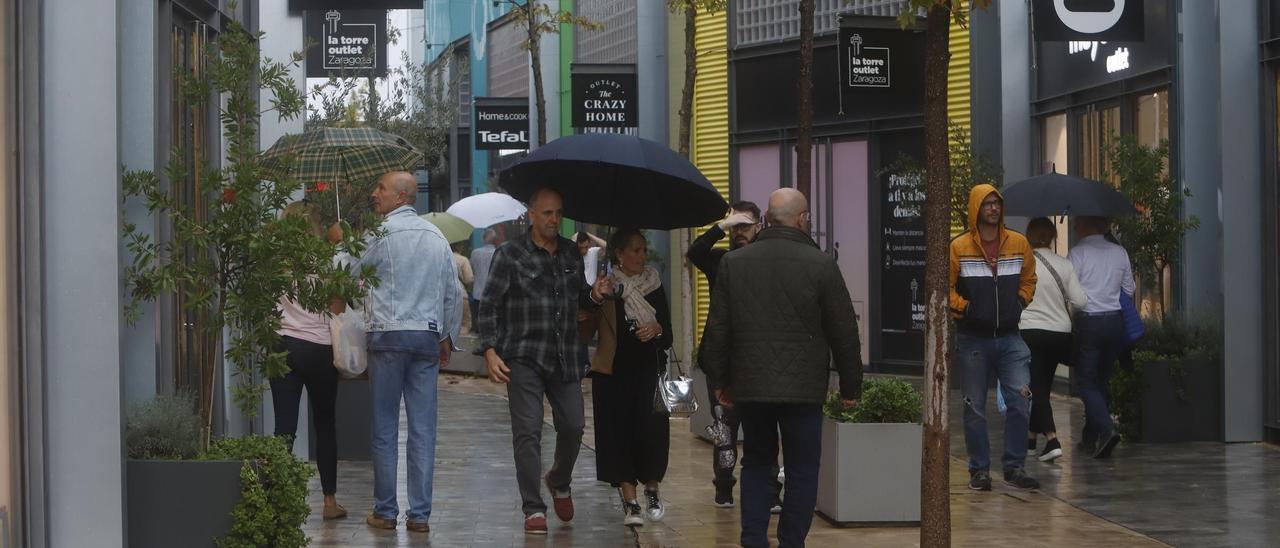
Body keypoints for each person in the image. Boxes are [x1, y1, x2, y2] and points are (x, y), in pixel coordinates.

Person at [701, 188, 862, 548]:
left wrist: (720, 380)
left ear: (767, 220)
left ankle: (753, 538)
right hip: (803, 390)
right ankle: (792, 541)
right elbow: (844, 330)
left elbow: (719, 326)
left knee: (757, 462)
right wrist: (851, 387)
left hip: (751, 386)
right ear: (802, 219)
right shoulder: (821, 264)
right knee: (803, 469)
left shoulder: (735, 262)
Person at [477, 187, 613, 535]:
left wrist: (594, 295)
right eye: (548, 213)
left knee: (574, 427)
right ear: (532, 215)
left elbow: (579, 297)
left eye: (559, 213)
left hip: (566, 355)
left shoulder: (570, 252)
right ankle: (533, 509)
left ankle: (558, 478)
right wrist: (490, 350)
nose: (555, 220)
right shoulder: (509, 254)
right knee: (528, 432)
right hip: (523, 356)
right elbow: (489, 305)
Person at [360, 171, 463, 533]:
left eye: (381, 189)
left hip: (387, 337)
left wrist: (342, 245)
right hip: (425, 338)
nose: (375, 194)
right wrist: (447, 335)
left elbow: (351, 272)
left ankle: (386, 511)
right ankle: (419, 515)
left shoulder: (379, 235)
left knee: (385, 426)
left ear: (401, 196)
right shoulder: (436, 237)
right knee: (423, 428)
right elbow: (453, 291)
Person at [687, 201, 782, 509]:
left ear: (761, 226)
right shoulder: (719, 259)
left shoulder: (769, 259)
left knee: (764, 431)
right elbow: (694, 253)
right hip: (723, 361)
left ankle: (770, 491)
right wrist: (723, 225)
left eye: (746, 225)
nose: (740, 232)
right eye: (736, 227)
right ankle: (724, 486)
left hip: (759, 360)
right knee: (724, 429)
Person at [949, 184, 1040, 491]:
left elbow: (1029, 278)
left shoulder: (1018, 242)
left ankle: (1015, 466)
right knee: (974, 405)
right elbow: (943, 287)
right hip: (972, 338)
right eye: (987, 204)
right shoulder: (958, 246)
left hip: (1010, 336)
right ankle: (979, 470)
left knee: (1020, 399)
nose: (993, 208)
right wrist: (966, 309)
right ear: (976, 207)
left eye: (996, 203)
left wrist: (1021, 302)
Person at [585, 228, 673, 527]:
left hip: (649, 371)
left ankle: (651, 489)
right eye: (634, 250)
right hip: (613, 374)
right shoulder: (607, 286)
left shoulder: (654, 283)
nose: (641, 256)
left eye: (643, 250)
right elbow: (585, 322)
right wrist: (597, 297)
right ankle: (631, 501)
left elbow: (669, 332)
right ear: (619, 255)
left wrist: (657, 328)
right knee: (617, 435)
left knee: (651, 434)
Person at [269, 201, 348, 521]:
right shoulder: (327, 262)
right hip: (320, 350)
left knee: (284, 428)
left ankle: (276, 501)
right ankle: (329, 502)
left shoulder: (274, 261)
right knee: (325, 425)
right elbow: (338, 309)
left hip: (284, 346)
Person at [1019, 217, 1087, 463]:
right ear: (1051, 237)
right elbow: (1081, 301)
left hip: (1030, 331)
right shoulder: (1064, 264)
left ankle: (1052, 440)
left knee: (1036, 387)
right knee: (1043, 385)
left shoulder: (1022, 263)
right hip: (1060, 334)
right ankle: (1029, 440)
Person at [1068, 216, 1135, 459]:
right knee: (1101, 381)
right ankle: (1090, 437)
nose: (1075, 226)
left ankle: (1106, 431)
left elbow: (1069, 290)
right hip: (1115, 322)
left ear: (1087, 226)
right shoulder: (1120, 253)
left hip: (1089, 321)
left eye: (1077, 222)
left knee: (1085, 381)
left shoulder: (1077, 254)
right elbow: (1129, 289)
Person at [469, 228, 500, 354]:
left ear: (483, 239)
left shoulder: (475, 253)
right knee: (493, 321)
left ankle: (480, 344)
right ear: (495, 240)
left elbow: (473, 269)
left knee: (479, 321)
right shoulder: (498, 252)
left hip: (478, 292)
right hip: (494, 293)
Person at [453, 243, 475, 336]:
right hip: (460, 294)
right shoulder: (463, 260)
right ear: (460, 247)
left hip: (442, 296)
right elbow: (469, 279)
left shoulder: (440, 257)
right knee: (464, 326)